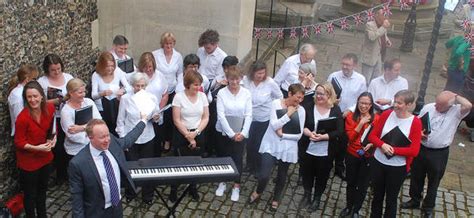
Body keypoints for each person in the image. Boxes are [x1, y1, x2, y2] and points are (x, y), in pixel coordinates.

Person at [401, 91, 471, 218]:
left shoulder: (456, 112)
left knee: (434, 180)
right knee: (416, 175)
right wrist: (419, 133)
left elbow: (468, 105)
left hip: (439, 152)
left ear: (449, 105)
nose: (436, 107)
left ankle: (428, 206)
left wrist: (455, 96)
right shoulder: (429, 107)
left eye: (440, 105)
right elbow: (417, 122)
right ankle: (415, 199)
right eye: (436, 103)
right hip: (422, 148)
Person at [69, 118, 146, 217]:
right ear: (90, 137)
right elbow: (77, 197)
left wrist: (143, 121)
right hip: (96, 212)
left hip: (117, 207)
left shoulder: (112, 142)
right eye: (102, 137)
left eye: (107, 135)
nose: (107, 140)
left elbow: (128, 140)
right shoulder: (78, 163)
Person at [248, 83, 306, 211]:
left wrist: (283, 135)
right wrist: (288, 114)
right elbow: (274, 125)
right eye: (297, 97)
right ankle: (258, 191)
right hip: (271, 144)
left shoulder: (301, 111)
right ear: (290, 94)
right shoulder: (275, 104)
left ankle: (276, 198)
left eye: (302, 98)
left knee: (282, 174)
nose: (299, 101)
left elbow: (298, 134)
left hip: (287, 147)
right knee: (264, 174)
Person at [368, 90, 422, 218]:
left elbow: (414, 150)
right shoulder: (387, 114)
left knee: (391, 199)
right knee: (377, 196)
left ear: (408, 105)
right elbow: (372, 136)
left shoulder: (415, 122)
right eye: (395, 101)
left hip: (397, 167)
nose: (396, 105)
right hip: (379, 162)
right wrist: (382, 145)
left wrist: (393, 150)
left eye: (400, 103)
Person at [298, 82, 344, 212]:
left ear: (329, 95)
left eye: (321, 94)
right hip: (308, 149)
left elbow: (340, 131)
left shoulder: (335, 109)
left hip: (325, 152)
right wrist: (308, 133)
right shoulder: (308, 106)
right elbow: (302, 125)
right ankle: (307, 194)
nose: (318, 96)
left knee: (322, 176)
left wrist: (324, 137)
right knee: (307, 174)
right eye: (316, 93)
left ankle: (317, 197)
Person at [116, 72, 160, 204]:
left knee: (148, 167)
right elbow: (120, 122)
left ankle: (148, 196)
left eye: (142, 86)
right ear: (132, 85)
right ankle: (131, 192)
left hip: (147, 136)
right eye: (137, 86)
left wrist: (157, 117)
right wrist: (124, 140)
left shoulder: (151, 98)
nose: (140, 89)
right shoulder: (125, 99)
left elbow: (157, 116)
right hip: (131, 138)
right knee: (131, 167)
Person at [14, 81, 56, 218]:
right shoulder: (22, 118)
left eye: (35, 96)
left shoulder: (50, 108)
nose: (33, 100)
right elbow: (19, 142)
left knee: (42, 191)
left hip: (45, 158)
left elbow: (53, 129)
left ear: (42, 96)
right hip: (29, 162)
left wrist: (53, 139)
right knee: (30, 195)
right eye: (29, 97)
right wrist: (36, 148)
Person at [169, 70, 209, 202]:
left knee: (196, 162)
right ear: (188, 85)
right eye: (195, 85)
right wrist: (188, 135)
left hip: (198, 132)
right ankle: (174, 189)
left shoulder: (202, 96)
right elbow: (176, 119)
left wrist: (196, 132)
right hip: (182, 134)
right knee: (178, 163)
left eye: (199, 85)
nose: (198, 88)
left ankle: (193, 187)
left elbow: (205, 117)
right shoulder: (178, 97)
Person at [214, 67, 252, 202]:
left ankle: (236, 185)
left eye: (237, 79)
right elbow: (221, 115)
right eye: (231, 79)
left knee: (238, 158)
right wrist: (231, 134)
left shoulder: (246, 93)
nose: (234, 82)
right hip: (224, 132)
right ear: (227, 79)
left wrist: (243, 132)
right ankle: (222, 181)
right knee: (224, 157)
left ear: (241, 79)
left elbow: (248, 115)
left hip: (241, 132)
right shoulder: (222, 93)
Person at [327, 53, 366, 180]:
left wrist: (350, 110)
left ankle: (339, 166)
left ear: (354, 65)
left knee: (344, 141)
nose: (344, 67)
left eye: (348, 65)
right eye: (343, 64)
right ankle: (327, 164)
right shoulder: (333, 76)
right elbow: (326, 92)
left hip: (349, 115)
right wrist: (332, 101)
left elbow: (361, 99)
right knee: (331, 139)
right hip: (333, 112)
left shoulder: (360, 79)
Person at [340, 92, 379, 218]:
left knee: (362, 185)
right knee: (351, 182)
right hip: (352, 154)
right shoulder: (351, 117)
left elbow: (379, 137)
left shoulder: (377, 118)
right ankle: (349, 206)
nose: (364, 106)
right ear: (357, 103)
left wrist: (372, 144)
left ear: (371, 105)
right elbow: (350, 137)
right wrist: (361, 123)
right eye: (362, 103)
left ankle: (356, 209)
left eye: (367, 104)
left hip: (367, 156)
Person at [37, 54, 74, 184]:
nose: (57, 72)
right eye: (53, 70)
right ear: (47, 69)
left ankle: (70, 172)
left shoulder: (68, 77)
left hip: (69, 115)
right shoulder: (42, 82)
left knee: (71, 142)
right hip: (54, 118)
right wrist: (58, 100)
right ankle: (60, 174)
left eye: (58, 69)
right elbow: (39, 102)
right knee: (58, 147)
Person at [241, 61, 283, 175]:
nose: (261, 76)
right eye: (258, 73)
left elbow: (279, 97)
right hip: (249, 118)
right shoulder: (245, 80)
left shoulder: (270, 83)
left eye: (263, 73)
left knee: (259, 143)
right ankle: (249, 165)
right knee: (249, 143)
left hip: (263, 118)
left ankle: (258, 167)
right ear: (252, 72)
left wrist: (273, 109)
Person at [152, 32, 183, 153]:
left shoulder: (178, 56)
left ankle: (167, 141)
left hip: (172, 90)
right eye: (166, 44)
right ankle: (157, 140)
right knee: (157, 116)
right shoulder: (155, 54)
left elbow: (180, 73)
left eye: (171, 43)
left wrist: (179, 89)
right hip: (158, 91)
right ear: (162, 44)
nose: (168, 46)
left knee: (170, 118)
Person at [91, 51, 131, 136]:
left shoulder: (118, 71)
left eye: (112, 66)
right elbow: (93, 96)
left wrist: (122, 91)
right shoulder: (96, 75)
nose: (110, 69)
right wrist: (102, 93)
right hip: (102, 109)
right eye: (107, 66)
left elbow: (129, 87)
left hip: (116, 105)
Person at [136, 52, 169, 155]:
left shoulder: (160, 76)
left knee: (156, 141)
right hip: (140, 115)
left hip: (156, 114)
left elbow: (165, 94)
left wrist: (158, 109)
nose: (148, 69)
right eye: (145, 67)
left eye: (150, 66)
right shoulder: (137, 77)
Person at [206, 56, 239, 157]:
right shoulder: (219, 78)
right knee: (213, 129)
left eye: (228, 68)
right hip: (216, 110)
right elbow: (208, 96)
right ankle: (212, 150)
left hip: (232, 112)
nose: (226, 70)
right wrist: (218, 85)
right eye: (224, 68)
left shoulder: (239, 79)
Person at [60, 79, 102, 157]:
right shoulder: (66, 111)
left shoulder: (88, 102)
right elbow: (72, 135)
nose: (83, 94)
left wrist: (81, 128)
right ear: (71, 93)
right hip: (75, 151)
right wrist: (92, 132)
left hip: (93, 146)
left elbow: (99, 121)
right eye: (80, 92)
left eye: (84, 92)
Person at [8, 64, 39, 136]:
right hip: (24, 134)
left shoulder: (25, 91)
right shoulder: (17, 95)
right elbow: (19, 118)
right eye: (34, 79)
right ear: (27, 79)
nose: (36, 81)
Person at [361, 9, 392, 82]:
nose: (385, 18)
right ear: (376, 16)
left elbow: (383, 35)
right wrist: (383, 27)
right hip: (370, 57)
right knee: (366, 80)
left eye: (386, 15)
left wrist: (387, 41)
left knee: (376, 79)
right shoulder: (369, 25)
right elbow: (372, 37)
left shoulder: (382, 25)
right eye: (383, 15)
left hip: (379, 55)